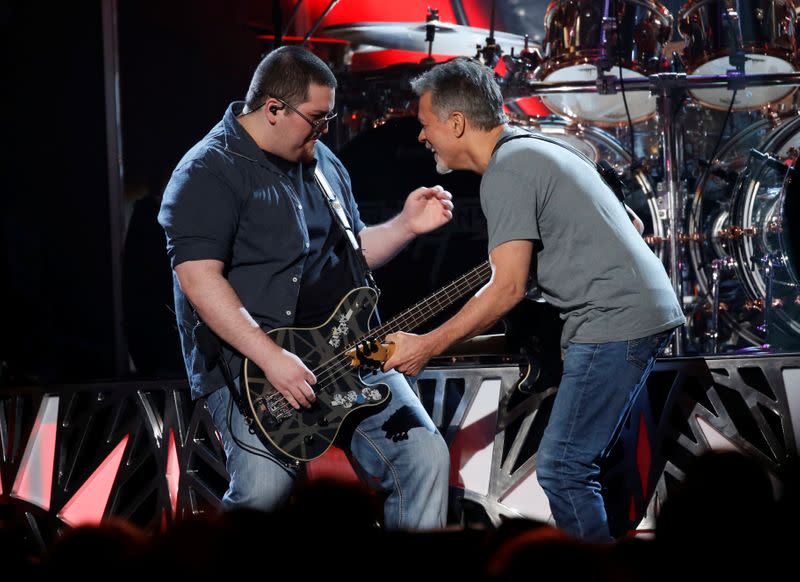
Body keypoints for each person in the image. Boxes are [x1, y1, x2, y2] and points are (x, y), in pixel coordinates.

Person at [383, 57, 684, 541]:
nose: (422, 137)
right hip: (632, 315)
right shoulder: (543, 146)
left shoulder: (508, 169)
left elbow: (507, 287)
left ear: (456, 123)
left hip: (613, 321)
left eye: (426, 125)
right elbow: (633, 225)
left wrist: (427, 344)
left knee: (564, 467)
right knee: (576, 465)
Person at [157, 46, 452, 529]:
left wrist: (404, 226)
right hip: (252, 367)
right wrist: (271, 358)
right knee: (264, 491)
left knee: (423, 456)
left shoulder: (323, 162)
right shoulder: (206, 171)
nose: (326, 129)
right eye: (316, 118)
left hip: (348, 350)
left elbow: (351, 255)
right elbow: (198, 278)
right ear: (274, 109)